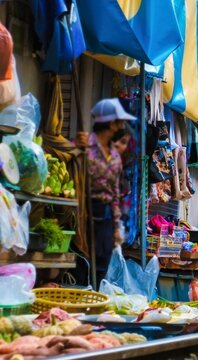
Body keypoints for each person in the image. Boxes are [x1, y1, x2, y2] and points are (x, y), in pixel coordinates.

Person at [77, 98, 136, 285]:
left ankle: (94, 305)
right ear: (112, 123)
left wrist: (117, 226)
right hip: (85, 213)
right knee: (83, 263)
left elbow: (115, 193)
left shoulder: (115, 156)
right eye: (120, 122)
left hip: (106, 218)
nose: (122, 126)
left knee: (101, 265)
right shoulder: (84, 146)